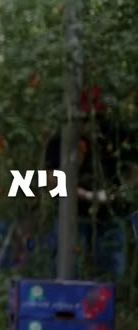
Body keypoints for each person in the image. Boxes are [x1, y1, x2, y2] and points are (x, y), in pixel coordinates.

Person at [44, 103, 136, 277]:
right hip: (71, 216)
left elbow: (133, 172)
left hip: (110, 216)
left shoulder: (117, 134)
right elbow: (50, 178)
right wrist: (84, 195)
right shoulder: (62, 138)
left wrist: (115, 193)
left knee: (110, 275)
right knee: (66, 272)